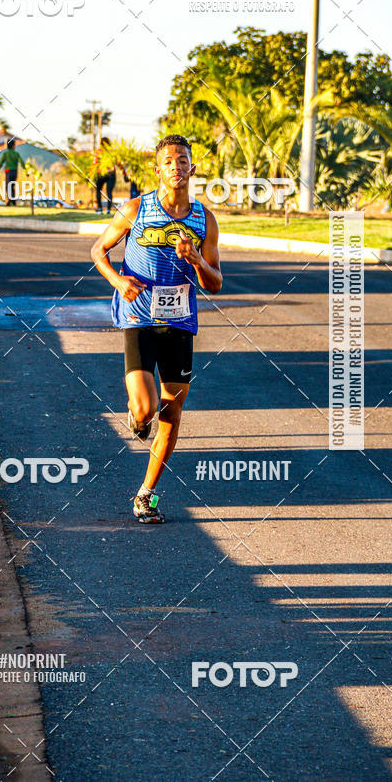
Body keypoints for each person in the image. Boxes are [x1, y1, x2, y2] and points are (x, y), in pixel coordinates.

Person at [91, 134, 222, 523]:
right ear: (157, 169)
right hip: (139, 317)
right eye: (168, 161)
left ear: (192, 168)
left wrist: (197, 259)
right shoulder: (136, 209)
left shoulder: (204, 219)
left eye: (182, 160)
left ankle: (145, 495)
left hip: (180, 322)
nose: (175, 167)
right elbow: (98, 250)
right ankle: (138, 416)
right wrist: (118, 281)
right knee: (147, 408)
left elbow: (215, 282)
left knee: (172, 413)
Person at [0, 138, 25, 206]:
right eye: (14, 145)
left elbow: (0, 163)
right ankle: (12, 200)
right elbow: (22, 162)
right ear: (12, 146)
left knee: (8, 186)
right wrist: (25, 170)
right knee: (12, 186)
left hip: (8, 172)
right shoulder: (16, 154)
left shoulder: (5, 154)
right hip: (15, 172)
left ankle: (10, 200)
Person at [93, 137, 116, 214]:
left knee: (98, 191)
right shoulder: (112, 152)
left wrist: (92, 174)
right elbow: (118, 162)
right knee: (109, 192)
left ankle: (100, 209)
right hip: (111, 173)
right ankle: (108, 210)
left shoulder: (98, 151)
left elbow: (95, 163)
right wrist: (124, 173)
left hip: (101, 173)